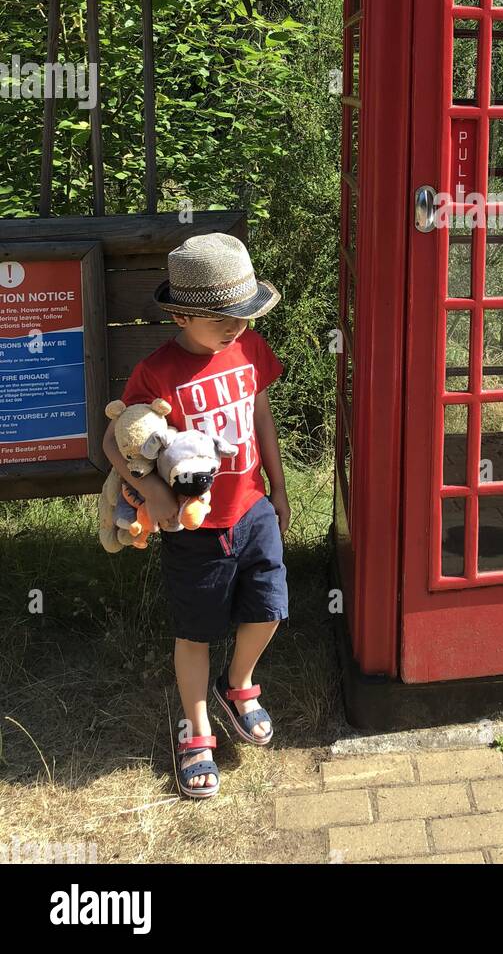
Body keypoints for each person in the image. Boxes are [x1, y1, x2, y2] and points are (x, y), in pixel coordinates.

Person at [102, 232, 288, 799]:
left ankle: (241, 684)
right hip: (193, 527)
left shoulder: (249, 349)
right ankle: (196, 730)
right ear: (182, 313)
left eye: (244, 313)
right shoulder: (157, 373)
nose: (236, 326)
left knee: (270, 608)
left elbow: (260, 414)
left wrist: (278, 488)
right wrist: (153, 496)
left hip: (252, 509)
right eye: (221, 318)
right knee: (196, 630)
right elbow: (116, 441)